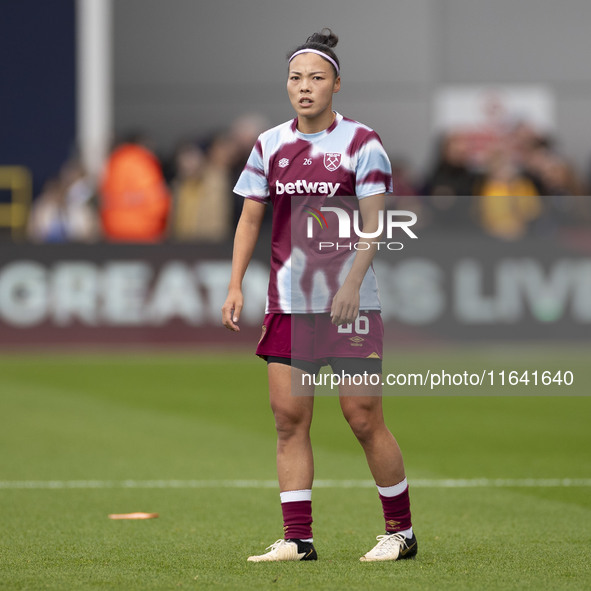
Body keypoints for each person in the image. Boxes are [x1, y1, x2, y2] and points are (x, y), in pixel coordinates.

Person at [222, 29, 417, 563]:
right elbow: (249, 219)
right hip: (289, 304)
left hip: (350, 304)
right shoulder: (269, 144)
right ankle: (297, 539)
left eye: (315, 78)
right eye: (295, 78)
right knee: (288, 418)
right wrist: (236, 283)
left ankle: (400, 531)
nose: (304, 87)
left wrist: (353, 284)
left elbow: (377, 225)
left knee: (361, 416)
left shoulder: (362, 144)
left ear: (336, 84)